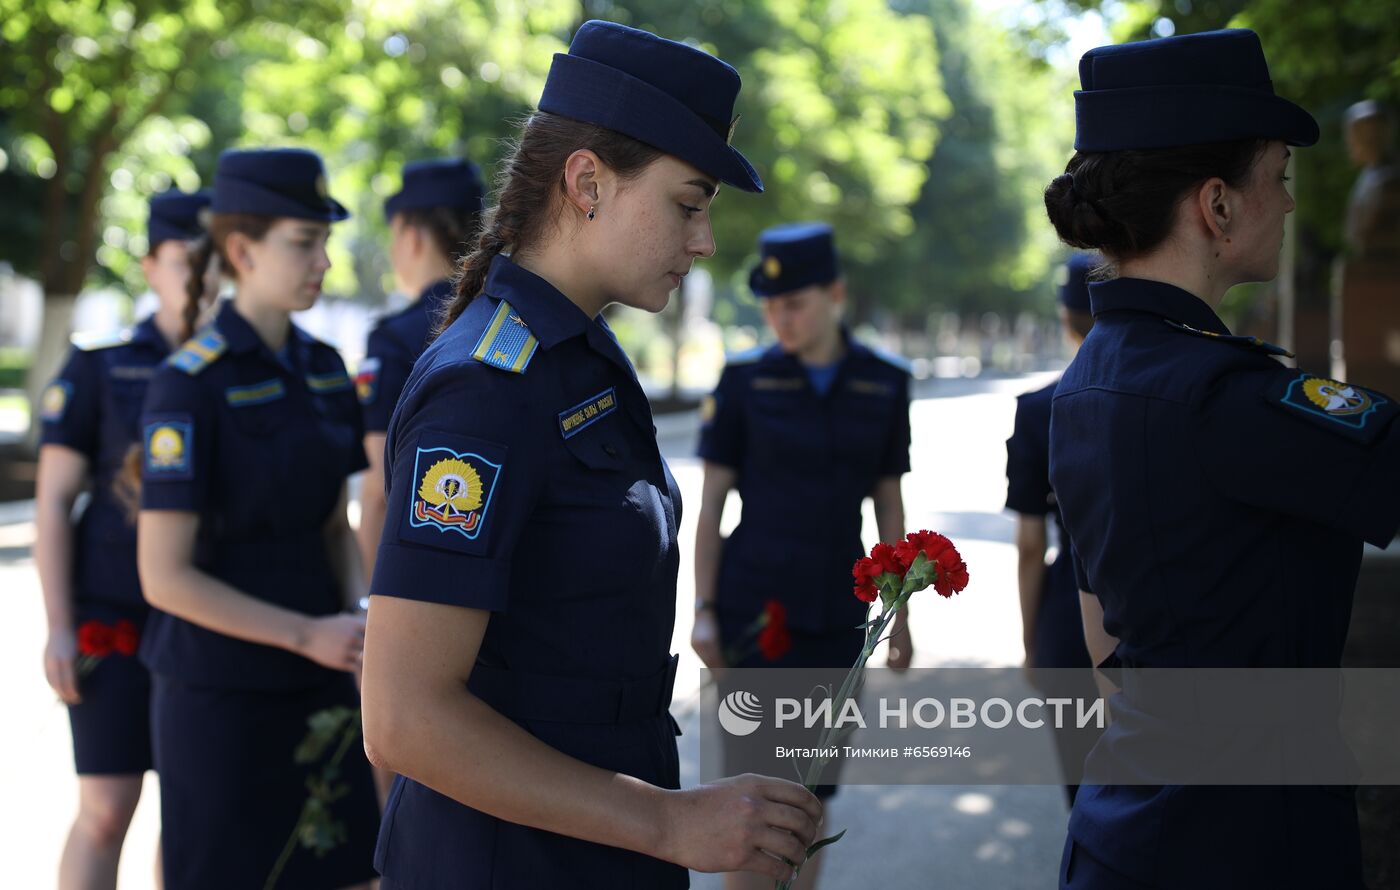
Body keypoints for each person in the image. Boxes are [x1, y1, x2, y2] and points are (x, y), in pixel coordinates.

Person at [360, 21, 823, 889]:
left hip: (594, 847)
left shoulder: (579, 353)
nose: (705, 242)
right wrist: (667, 821)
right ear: (587, 182)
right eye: (688, 204)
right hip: (510, 862)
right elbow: (403, 717)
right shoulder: (486, 385)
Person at [1043, 28, 1400, 889]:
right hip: (1245, 842)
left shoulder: (1089, 379)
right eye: (1276, 176)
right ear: (1218, 205)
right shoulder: (1227, 397)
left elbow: (1104, 645)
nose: (1285, 201)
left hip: (1126, 824)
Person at [134, 148, 380, 890]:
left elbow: (335, 525)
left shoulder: (326, 367)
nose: (324, 261)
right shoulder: (188, 385)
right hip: (225, 696)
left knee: (344, 871)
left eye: (325, 242)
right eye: (304, 243)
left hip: (324, 681)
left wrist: (367, 624)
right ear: (242, 250)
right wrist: (311, 635)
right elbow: (162, 577)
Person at [690, 221, 911, 890]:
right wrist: (702, 609)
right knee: (757, 804)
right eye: (770, 306)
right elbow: (710, 508)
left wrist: (900, 615)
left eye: (795, 303)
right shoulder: (744, 382)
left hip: (840, 617)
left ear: (836, 293)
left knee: (811, 802)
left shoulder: (884, 383)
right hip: (757, 614)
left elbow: (887, 504)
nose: (779, 318)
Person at [34, 189, 209, 890]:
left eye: (208, 260)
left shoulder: (232, 366)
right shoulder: (100, 365)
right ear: (150, 267)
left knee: (192, 811)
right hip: (112, 614)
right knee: (107, 809)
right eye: (181, 260)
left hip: (202, 614)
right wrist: (57, 627)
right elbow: (51, 502)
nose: (197, 276)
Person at [356, 157, 485, 580]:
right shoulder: (506, 321)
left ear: (411, 238)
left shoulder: (393, 339)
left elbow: (378, 490)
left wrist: (369, 605)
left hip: (418, 567)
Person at [1005, 251, 1098, 808]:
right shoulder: (1171, 395)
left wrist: (1031, 644)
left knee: (1086, 798)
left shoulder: (1040, 408)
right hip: (1161, 615)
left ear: (1066, 319)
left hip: (1068, 616)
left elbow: (1029, 546)